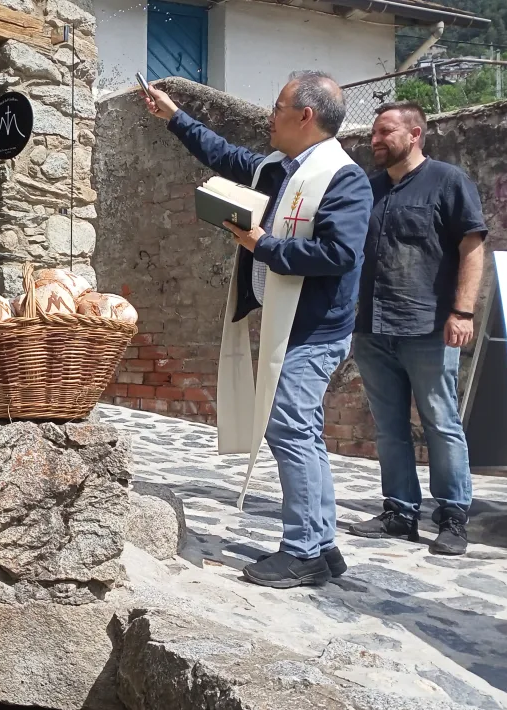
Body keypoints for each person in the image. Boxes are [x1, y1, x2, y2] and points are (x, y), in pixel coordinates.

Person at [142, 73, 372, 589]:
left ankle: (303, 550)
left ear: (305, 116)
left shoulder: (342, 178)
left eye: (279, 105)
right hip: (285, 321)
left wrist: (262, 244)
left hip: (315, 328)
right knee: (303, 432)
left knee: (289, 428)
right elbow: (226, 157)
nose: (271, 114)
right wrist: (174, 116)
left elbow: (339, 255)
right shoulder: (279, 167)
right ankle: (322, 543)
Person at [347, 101, 487, 556]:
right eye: (373, 133)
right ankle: (400, 512)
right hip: (372, 327)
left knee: (440, 422)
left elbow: (472, 248)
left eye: (386, 132)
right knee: (389, 427)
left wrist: (462, 313)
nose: (376, 141)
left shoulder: (449, 182)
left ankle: (452, 517)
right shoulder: (368, 190)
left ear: (415, 134)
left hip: (428, 326)